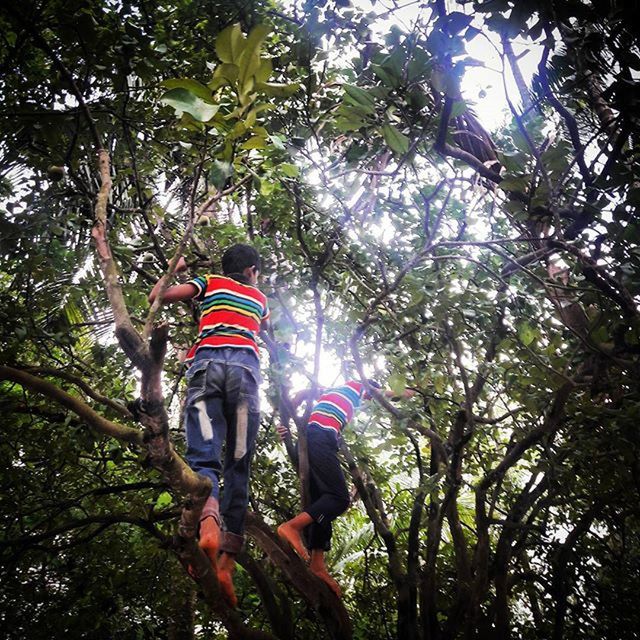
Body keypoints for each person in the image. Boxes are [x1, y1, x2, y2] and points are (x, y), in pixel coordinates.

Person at [148, 244, 269, 607]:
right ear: (251, 270)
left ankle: (208, 521)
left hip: (206, 371)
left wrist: (177, 264)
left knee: (204, 454)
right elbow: (263, 329)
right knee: (239, 460)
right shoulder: (260, 298)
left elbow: (159, 296)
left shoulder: (211, 282)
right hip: (246, 377)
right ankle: (226, 563)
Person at [276, 379, 414, 598]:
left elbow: (302, 392)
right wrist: (408, 393)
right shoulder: (356, 386)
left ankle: (318, 563)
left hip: (318, 439)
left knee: (322, 507)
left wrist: (288, 419)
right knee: (339, 499)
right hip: (319, 436)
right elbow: (385, 393)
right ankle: (291, 527)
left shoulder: (332, 391)